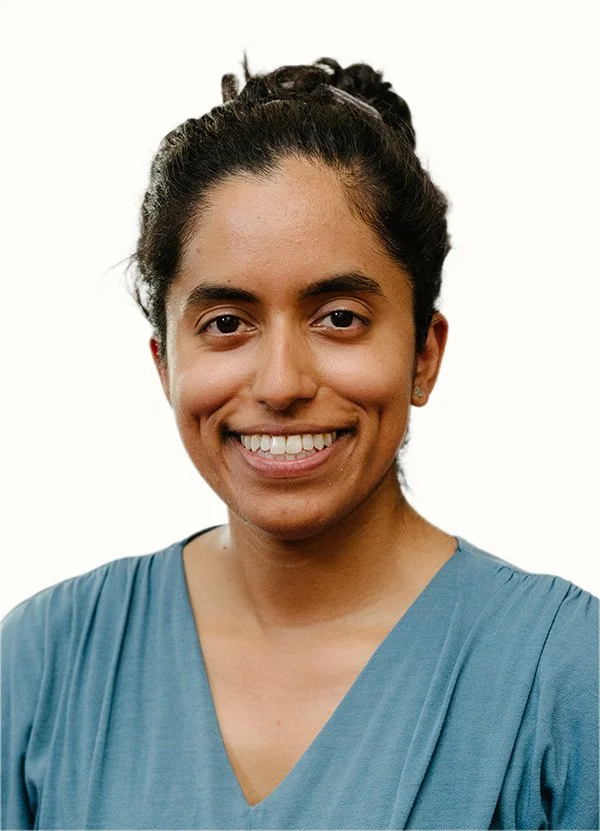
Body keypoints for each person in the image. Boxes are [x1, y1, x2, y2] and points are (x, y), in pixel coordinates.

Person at [1, 55, 598, 831]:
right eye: (226, 324)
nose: (281, 381)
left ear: (424, 352)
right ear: (165, 364)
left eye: (339, 316)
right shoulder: (45, 667)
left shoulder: (562, 677)